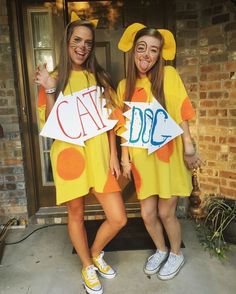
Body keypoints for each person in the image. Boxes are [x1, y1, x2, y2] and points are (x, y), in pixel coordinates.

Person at [35, 13, 127, 294]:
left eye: (88, 42)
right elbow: (51, 124)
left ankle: (96, 252)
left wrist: (114, 153)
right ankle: (87, 265)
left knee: (118, 218)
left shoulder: (98, 77)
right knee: (76, 213)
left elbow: (111, 119)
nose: (82, 46)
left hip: (100, 156)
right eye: (77, 40)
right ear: (67, 42)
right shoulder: (53, 79)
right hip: (69, 158)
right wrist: (49, 89)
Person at [115, 23, 202, 280]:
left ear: (159, 55)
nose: (146, 55)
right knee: (147, 213)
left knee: (166, 212)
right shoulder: (124, 86)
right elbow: (124, 127)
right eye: (141, 48)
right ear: (133, 51)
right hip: (142, 159)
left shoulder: (170, 75)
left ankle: (176, 253)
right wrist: (124, 157)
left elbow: (182, 111)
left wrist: (189, 146)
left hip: (168, 157)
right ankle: (161, 249)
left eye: (153, 50)